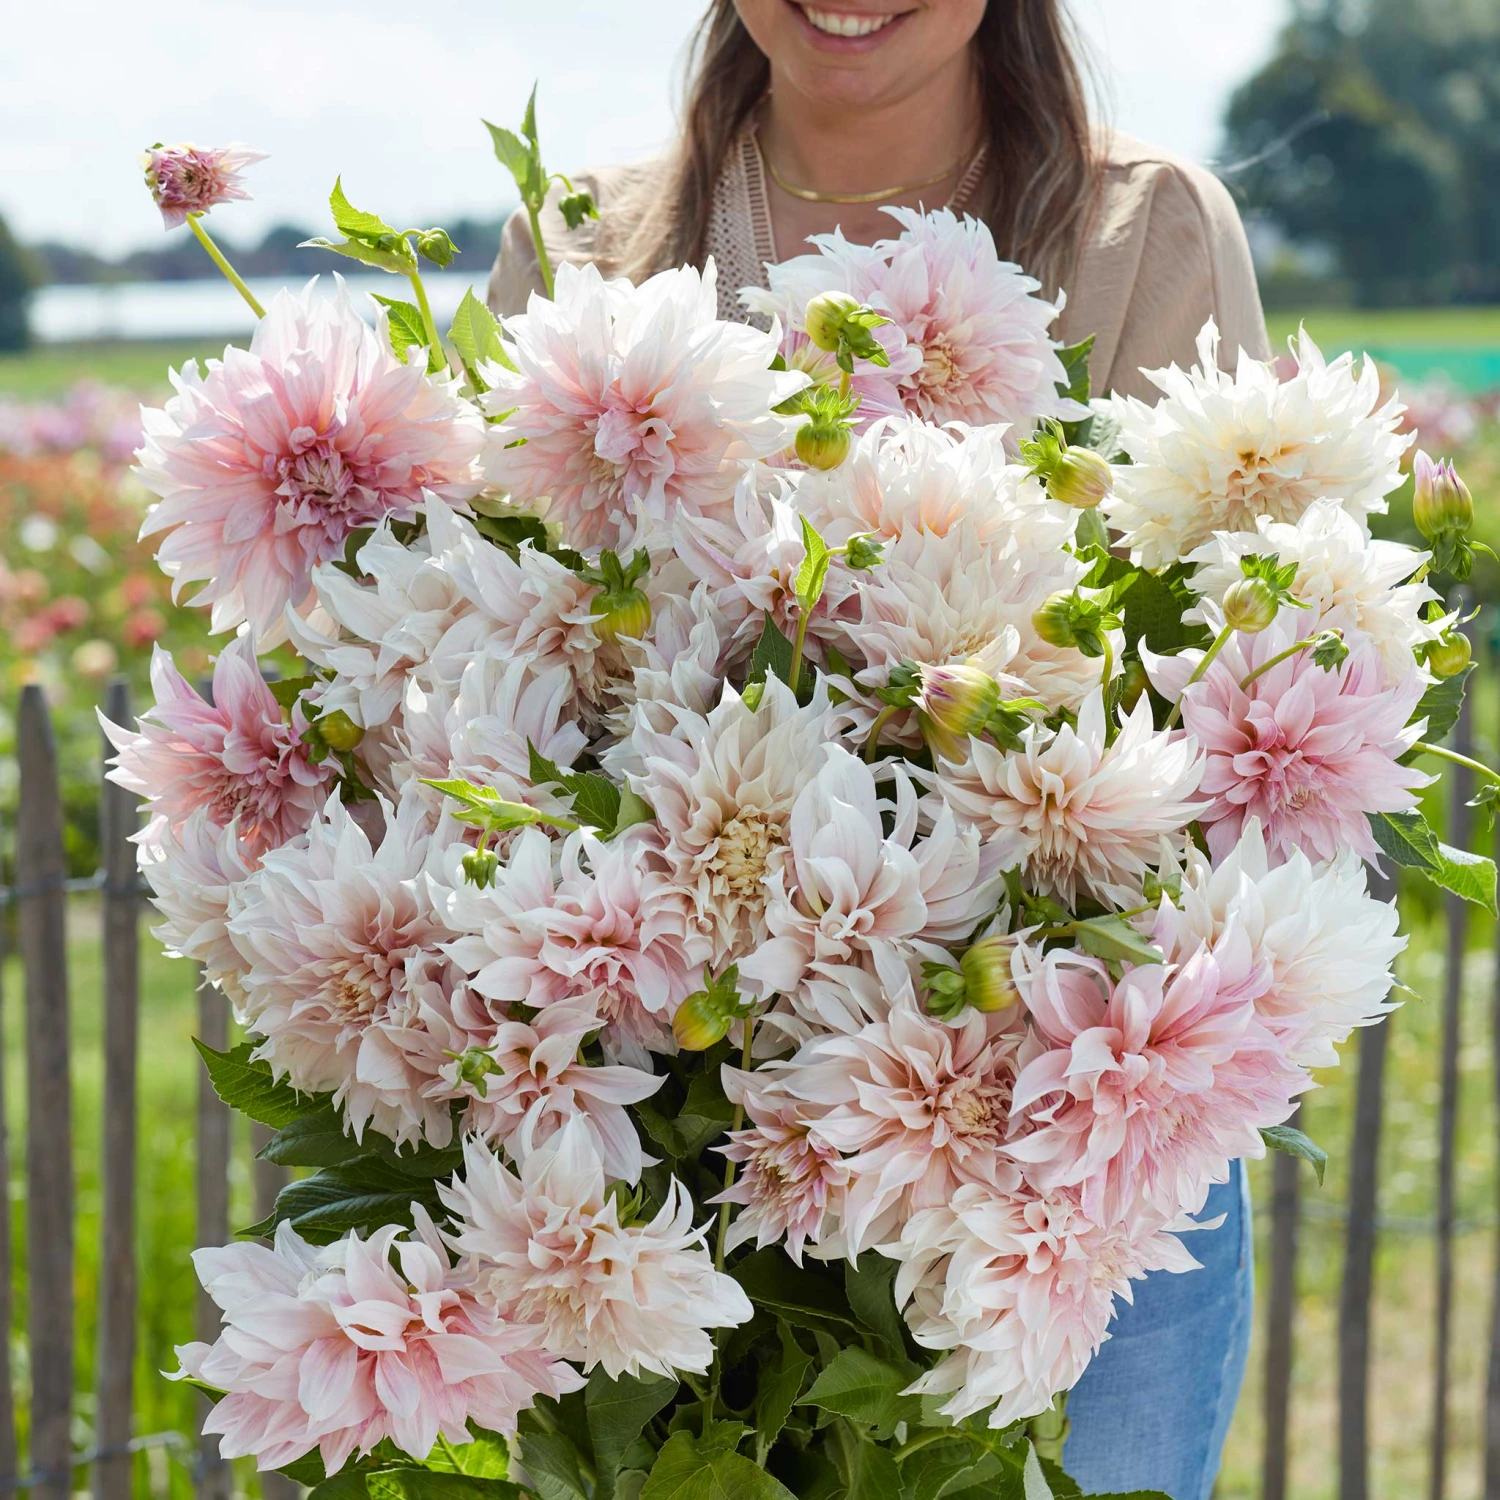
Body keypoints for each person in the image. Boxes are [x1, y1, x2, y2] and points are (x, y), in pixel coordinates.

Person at [488, 3, 1264, 1494]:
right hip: (662, 1175)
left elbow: (1225, 675)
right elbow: (493, 657)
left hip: (1058, 1166)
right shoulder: (583, 243)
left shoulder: (1141, 232)